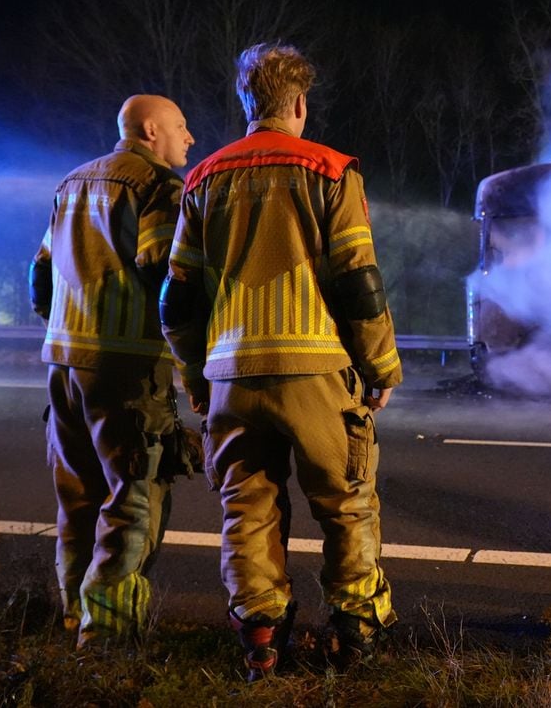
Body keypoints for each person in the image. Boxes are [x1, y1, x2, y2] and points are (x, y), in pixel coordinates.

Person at [160, 42, 402, 680]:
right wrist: (380, 365)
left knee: (248, 507)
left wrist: (195, 375)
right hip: (317, 373)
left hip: (231, 378)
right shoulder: (330, 170)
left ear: (247, 103)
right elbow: (358, 281)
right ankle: (353, 636)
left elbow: (177, 299)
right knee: (346, 503)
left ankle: (261, 641)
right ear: (298, 103)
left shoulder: (203, 177)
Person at [29, 94, 196, 648]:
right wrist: (193, 353)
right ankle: (107, 638)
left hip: (63, 366)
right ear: (150, 131)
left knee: (77, 499)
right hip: (124, 371)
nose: (189, 138)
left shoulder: (71, 183)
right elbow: (164, 276)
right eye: (180, 126)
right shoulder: (158, 188)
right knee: (133, 501)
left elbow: (40, 281)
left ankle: (73, 616)